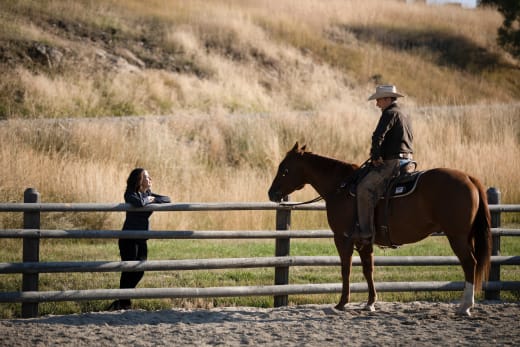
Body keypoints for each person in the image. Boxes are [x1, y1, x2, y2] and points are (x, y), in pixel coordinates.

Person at [349, 85, 413, 245]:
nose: (377, 104)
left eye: (378, 100)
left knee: (363, 189)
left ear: (387, 99)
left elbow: (377, 136)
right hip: (408, 161)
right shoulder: (404, 115)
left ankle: (366, 233)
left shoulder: (389, 113)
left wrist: (376, 156)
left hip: (392, 162)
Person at [108, 168, 171, 310]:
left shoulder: (147, 194)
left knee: (140, 270)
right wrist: (148, 199)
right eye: (147, 177)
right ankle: (124, 302)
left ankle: (122, 300)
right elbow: (138, 203)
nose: (150, 179)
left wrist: (152, 198)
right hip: (128, 238)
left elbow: (167, 199)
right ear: (139, 180)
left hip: (142, 238)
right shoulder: (130, 194)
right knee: (129, 269)